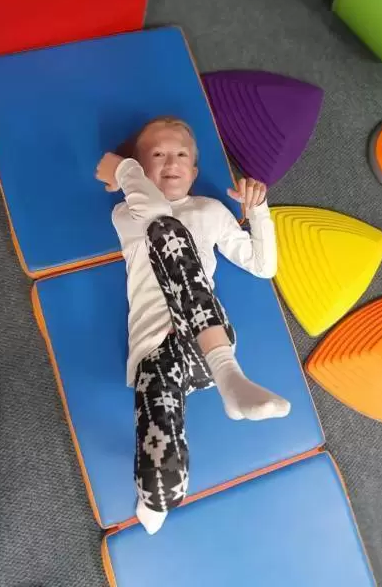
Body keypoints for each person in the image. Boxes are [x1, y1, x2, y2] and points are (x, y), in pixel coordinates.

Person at [96, 116, 290, 534]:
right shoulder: (127, 211)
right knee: (161, 487)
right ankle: (228, 379)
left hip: (205, 338)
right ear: (141, 170)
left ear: (195, 170)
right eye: (158, 154)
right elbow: (157, 215)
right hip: (155, 354)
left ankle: (228, 374)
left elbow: (263, 265)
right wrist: (125, 174)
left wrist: (257, 211)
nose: (171, 162)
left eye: (181, 154)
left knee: (168, 230)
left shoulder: (210, 210)